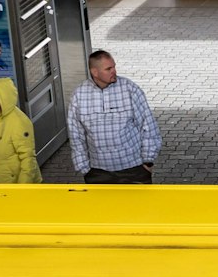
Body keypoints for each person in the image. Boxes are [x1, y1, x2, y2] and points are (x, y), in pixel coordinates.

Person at [68, 49, 162, 184]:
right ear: (95, 72)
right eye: (108, 69)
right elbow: (76, 134)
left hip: (134, 169)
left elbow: (148, 125)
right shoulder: (79, 95)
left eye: (114, 66)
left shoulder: (130, 89)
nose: (114, 71)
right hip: (98, 172)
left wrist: (148, 162)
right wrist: (84, 168)